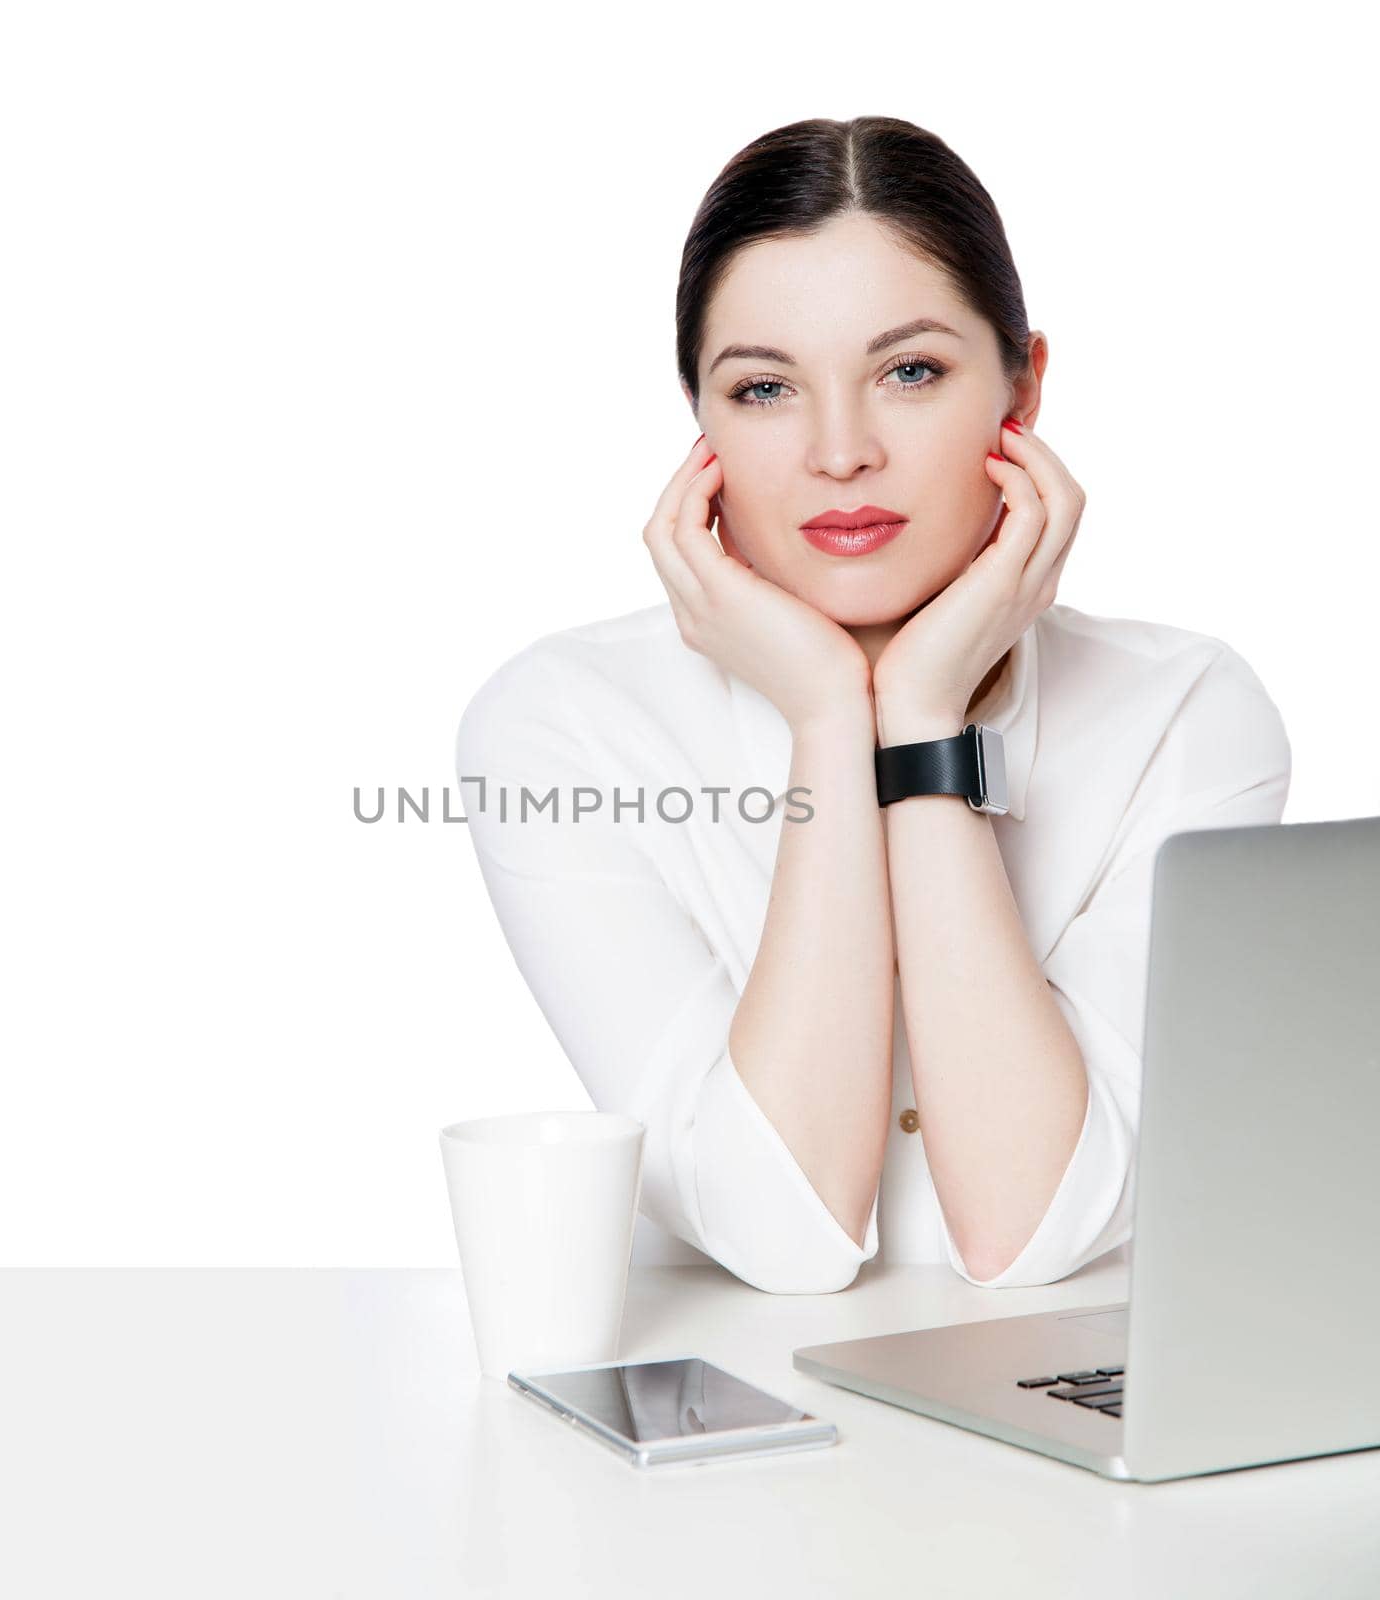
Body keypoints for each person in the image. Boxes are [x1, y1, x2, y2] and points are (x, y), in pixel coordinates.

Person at [453, 116, 1291, 1295]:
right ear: (700, 424)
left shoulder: (1184, 716)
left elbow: (1026, 1227)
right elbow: (780, 1237)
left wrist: (923, 713)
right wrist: (828, 721)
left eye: (909, 371)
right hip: (719, 1434)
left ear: (1024, 385)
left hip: (1064, 1434)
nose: (839, 452)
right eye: (762, 388)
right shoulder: (559, 725)